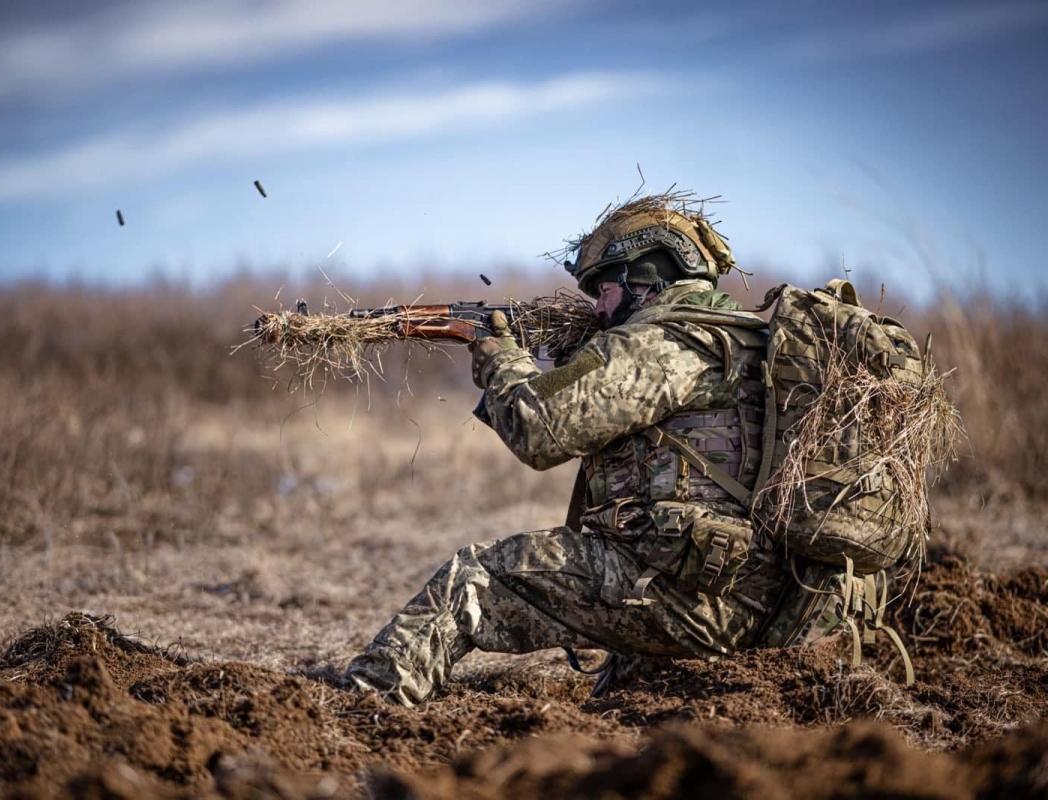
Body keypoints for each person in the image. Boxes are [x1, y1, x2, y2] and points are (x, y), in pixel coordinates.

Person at [344, 195, 843, 706]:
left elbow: (538, 433)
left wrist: (500, 362)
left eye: (604, 290)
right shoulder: (740, 339)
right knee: (621, 695)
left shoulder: (663, 342)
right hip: (759, 597)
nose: (598, 308)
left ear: (644, 277)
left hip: (692, 597)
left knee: (473, 578)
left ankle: (365, 698)